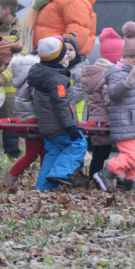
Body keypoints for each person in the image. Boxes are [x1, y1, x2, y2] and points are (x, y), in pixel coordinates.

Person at [94, 22, 135, 193]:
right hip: (125, 121)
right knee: (132, 155)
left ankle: (130, 182)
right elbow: (113, 93)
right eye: (132, 56)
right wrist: (128, 82)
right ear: (124, 56)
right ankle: (107, 172)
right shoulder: (118, 72)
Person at [27, 37, 86, 190]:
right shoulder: (56, 80)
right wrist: (70, 127)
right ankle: (61, 173)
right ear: (58, 57)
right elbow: (61, 104)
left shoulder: (40, 73)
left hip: (48, 126)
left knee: (52, 154)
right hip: (60, 126)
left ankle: (42, 187)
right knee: (79, 144)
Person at [81, 27, 123, 180]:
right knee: (105, 154)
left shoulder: (94, 72)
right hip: (106, 121)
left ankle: (94, 178)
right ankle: (97, 179)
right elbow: (110, 99)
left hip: (95, 120)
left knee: (98, 154)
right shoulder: (108, 75)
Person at [0, 0, 23, 158]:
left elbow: (19, 63)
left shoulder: (21, 32)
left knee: (11, 135)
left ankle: (13, 165)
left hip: (11, 92)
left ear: (6, 10)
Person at [1, 53, 42, 187]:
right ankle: (11, 177)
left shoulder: (19, 84)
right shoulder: (33, 84)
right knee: (34, 154)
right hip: (35, 122)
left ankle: (11, 177)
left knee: (37, 154)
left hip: (25, 123)